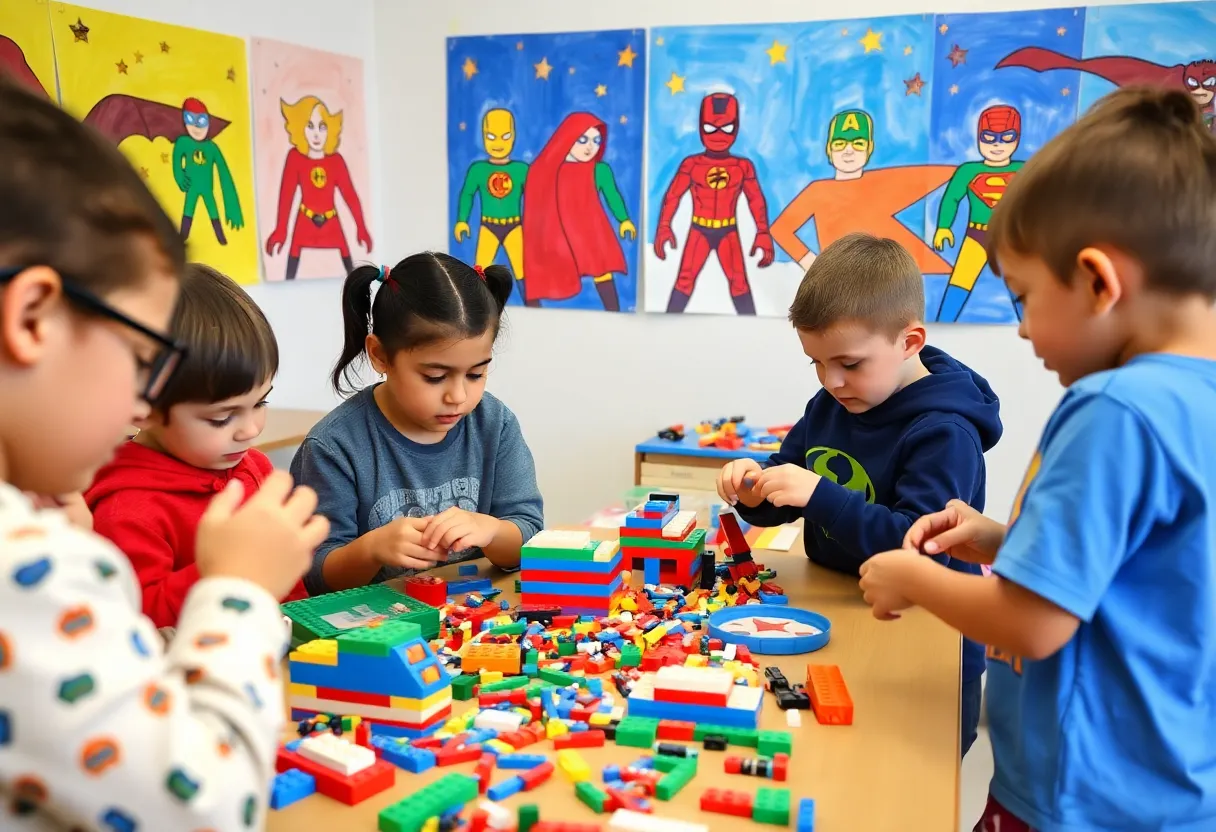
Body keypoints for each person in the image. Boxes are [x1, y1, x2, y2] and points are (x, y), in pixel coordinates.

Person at [859, 86, 1216, 831]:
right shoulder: (1194, 399)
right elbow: (1143, 567)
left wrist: (913, 578)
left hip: (1073, 797)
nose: (1021, 331)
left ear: (1097, 280)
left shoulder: (1116, 410)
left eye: (1021, 298)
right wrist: (1001, 539)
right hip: (1166, 790)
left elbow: (1033, 623)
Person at [0, 77, 325, 829]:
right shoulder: (21, 566)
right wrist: (237, 589)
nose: (140, 405)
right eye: (141, 357)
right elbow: (207, 805)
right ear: (33, 320)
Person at [717, 232, 1002, 756]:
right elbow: (789, 482)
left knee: (908, 777)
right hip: (840, 608)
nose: (832, 381)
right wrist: (753, 487)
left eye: (849, 363)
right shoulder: (830, 403)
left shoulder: (945, 432)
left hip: (923, 632)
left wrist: (820, 494)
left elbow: (919, 545)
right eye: (817, 364)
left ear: (910, 342)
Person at [291, 252, 544, 595]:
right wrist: (370, 549)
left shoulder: (494, 424)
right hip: (376, 632)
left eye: (476, 373)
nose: (458, 396)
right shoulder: (333, 447)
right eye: (435, 376)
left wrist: (490, 530)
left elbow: (530, 534)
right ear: (380, 355)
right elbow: (315, 577)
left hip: (474, 618)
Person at [86, 263, 306, 629]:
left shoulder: (254, 469)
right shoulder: (125, 509)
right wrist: (225, 569)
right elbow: (142, 623)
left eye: (261, 403)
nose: (250, 430)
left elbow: (291, 593)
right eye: (221, 418)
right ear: (142, 408)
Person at [520, 112, 635, 311]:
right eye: (583, 139)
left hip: (592, 232)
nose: (590, 146)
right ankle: (533, 312)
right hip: (562, 235)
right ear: (568, 138)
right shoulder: (549, 170)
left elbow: (613, 196)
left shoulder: (600, 170)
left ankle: (614, 311)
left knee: (602, 270)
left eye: (596, 140)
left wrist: (624, 219)